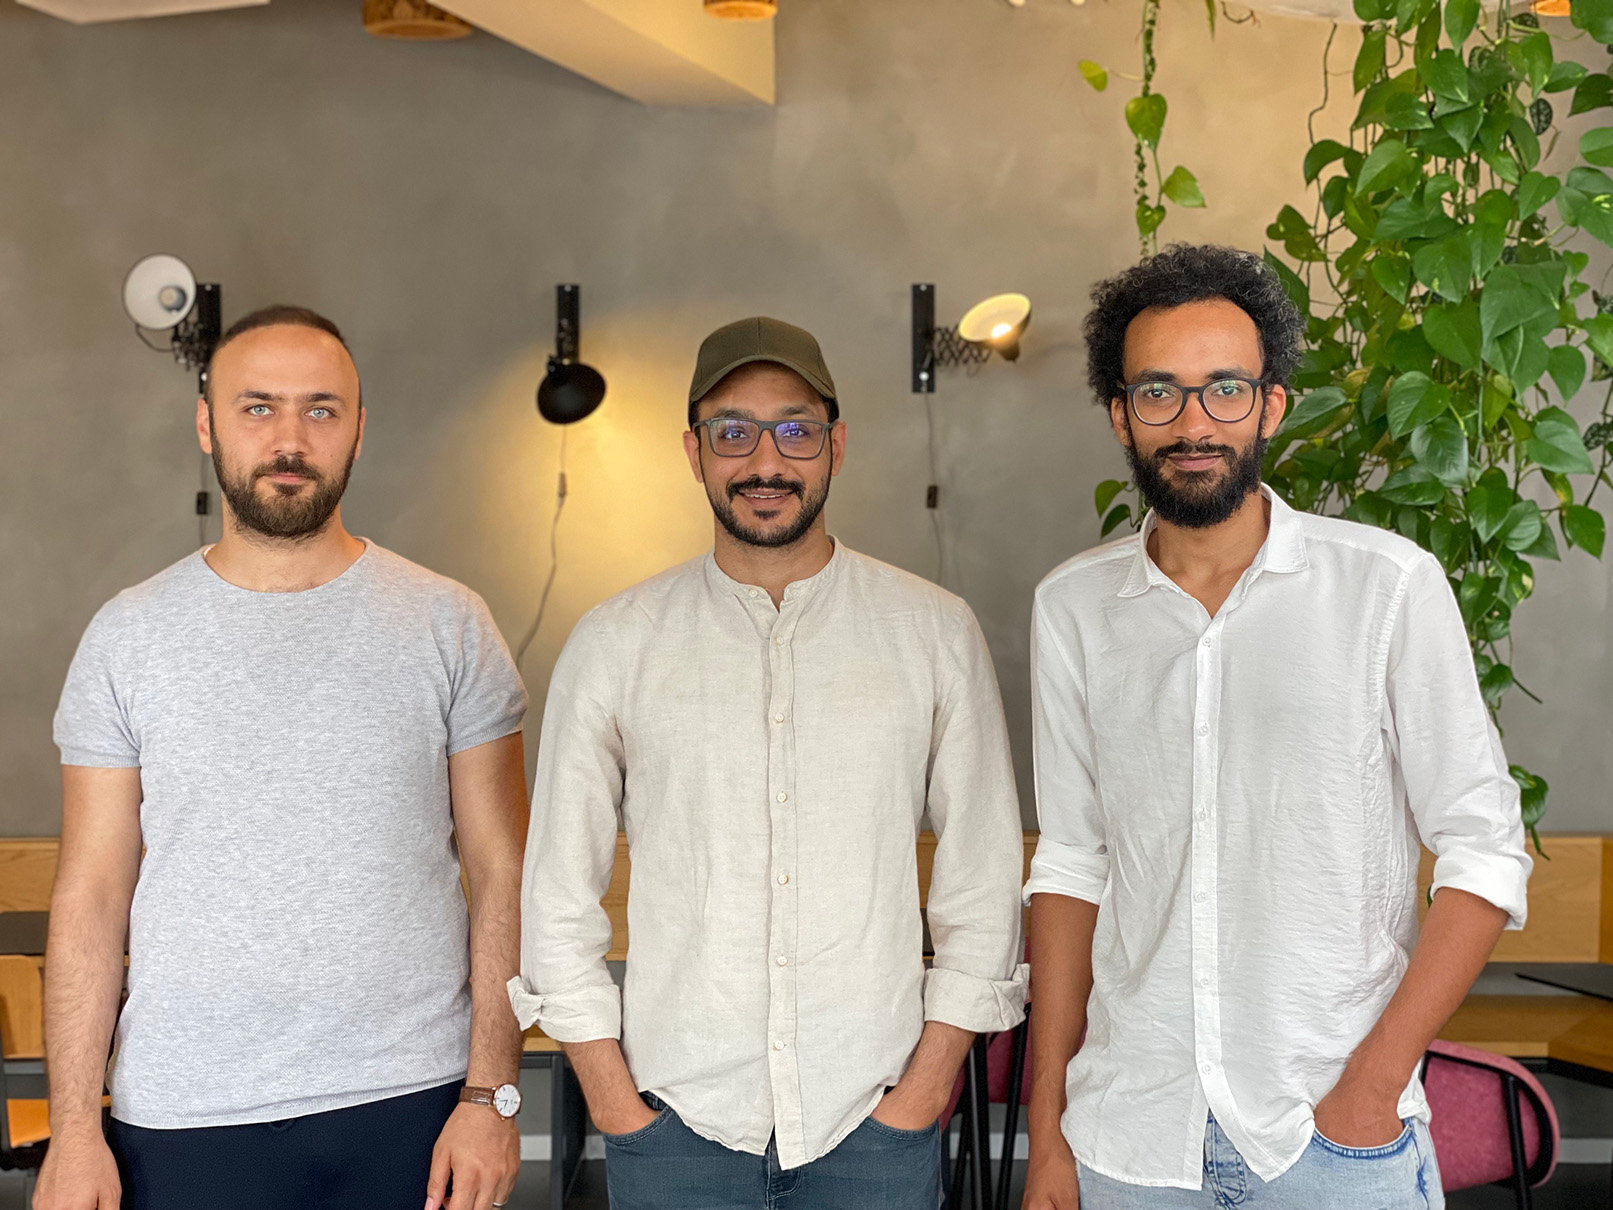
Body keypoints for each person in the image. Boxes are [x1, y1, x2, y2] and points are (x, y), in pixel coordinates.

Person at [1021, 244, 1532, 1210]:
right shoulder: (1072, 609)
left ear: (1271, 406)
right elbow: (1072, 865)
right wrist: (1046, 1132)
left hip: (1329, 1136)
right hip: (1130, 1137)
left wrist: (1372, 1085)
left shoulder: (1385, 587)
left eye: (1224, 389)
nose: (1193, 423)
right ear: (1120, 415)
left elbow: (1483, 848)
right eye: (1158, 392)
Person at [509, 316, 1027, 1210]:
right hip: (676, 1127)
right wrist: (616, 1105)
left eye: (794, 430)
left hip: (872, 1124)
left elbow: (982, 882)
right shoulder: (615, 643)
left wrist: (922, 1092)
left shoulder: (933, 632)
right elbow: (556, 896)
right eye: (732, 431)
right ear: (693, 451)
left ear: (835, 446)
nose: (765, 461)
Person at [39, 306, 529, 1210]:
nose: (290, 439)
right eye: (258, 407)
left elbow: (503, 870)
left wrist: (491, 1095)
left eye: (320, 409)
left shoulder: (447, 622)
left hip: (413, 1102)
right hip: (185, 1110)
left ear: (358, 430)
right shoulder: (129, 636)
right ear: (207, 424)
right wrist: (73, 1129)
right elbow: (92, 893)